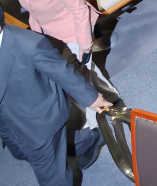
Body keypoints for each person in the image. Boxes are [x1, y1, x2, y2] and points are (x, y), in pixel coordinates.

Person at [0, 14, 110, 186]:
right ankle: (87, 140)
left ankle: (84, 141)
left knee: (52, 177)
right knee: (20, 152)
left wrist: (91, 97)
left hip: (39, 120)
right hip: (8, 120)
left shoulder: (29, 44)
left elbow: (62, 72)